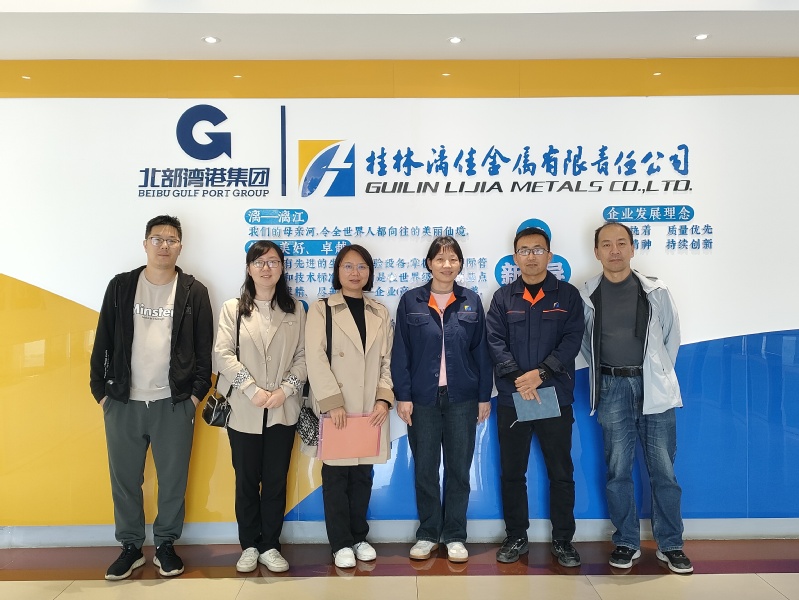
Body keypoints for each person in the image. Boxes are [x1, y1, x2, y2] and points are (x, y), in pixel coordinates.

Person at [89, 215, 213, 580]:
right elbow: (103, 340)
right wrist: (101, 392)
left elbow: (204, 351)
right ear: (145, 244)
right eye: (157, 239)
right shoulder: (121, 286)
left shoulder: (194, 291)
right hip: (123, 402)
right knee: (125, 480)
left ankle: (165, 545)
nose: (164, 245)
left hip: (173, 404)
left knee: (173, 481)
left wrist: (194, 397)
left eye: (171, 240)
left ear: (180, 247)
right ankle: (130, 547)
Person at [581, 222, 693, 574]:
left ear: (632, 248)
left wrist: (654, 373)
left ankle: (671, 545)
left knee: (664, 471)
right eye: (606, 244)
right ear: (596, 252)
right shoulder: (587, 295)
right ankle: (626, 541)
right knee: (618, 471)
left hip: (654, 388)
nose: (614, 250)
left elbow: (671, 338)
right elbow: (585, 344)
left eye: (621, 243)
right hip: (612, 387)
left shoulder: (656, 291)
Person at [486, 227, 584, 567]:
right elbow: (495, 341)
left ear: (549, 255)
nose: (531, 256)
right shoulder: (503, 298)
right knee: (512, 472)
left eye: (538, 250)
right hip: (514, 398)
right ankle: (516, 536)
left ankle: (563, 540)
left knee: (561, 472)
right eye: (524, 250)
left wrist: (540, 374)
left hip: (554, 396)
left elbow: (572, 340)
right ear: (515, 257)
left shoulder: (567, 296)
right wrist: (520, 378)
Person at [392, 236, 493, 564]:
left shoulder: (471, 301)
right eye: (440, 259)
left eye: (453, 259)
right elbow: (401, 352)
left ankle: (455, 535)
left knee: (459, 469)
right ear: (429, 264)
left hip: (463, 398)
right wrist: (403, 396)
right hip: (422, 399)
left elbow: (482, 353)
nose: (447, 265)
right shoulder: (411, 301)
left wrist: (484, 397)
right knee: (425, 468)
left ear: (460, 264)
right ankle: (427, 533)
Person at [214, 241, 306, 573]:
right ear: (248, 268)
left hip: (283, 409)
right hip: (244, 409)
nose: (266, 268)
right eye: (259, 262)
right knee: (246, 481)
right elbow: (222, 354)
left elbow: (303, 356)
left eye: (273, 262)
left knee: (276, 481)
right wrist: (251, 389)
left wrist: (286, 390)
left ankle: (270, 546)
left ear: (282, 268)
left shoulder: (295, 310)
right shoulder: (232, 308)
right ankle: (249, 545)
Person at [303, 244, 394, 569]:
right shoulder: (322, 309)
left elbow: (387, 360)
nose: (355, 273)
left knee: (363, 475)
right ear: (337, 271)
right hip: (338, 409)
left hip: (370, 408)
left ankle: (359, 537)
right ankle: (340, 542)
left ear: (370, 272)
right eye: (348, 266)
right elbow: (314, 357)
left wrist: (384, 397)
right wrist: (332, 402)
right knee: (336, 477)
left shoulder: (379, 311)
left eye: (362, 267)